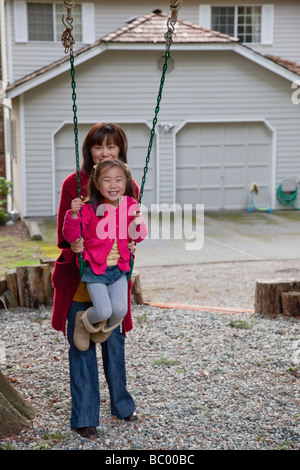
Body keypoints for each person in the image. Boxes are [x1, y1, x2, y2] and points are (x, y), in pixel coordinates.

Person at [51, 123, 141, 439]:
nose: (104, 152)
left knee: (114, 343)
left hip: (114, 274)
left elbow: (131, 228)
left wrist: (133, 242)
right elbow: (65, 234)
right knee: (81, 346)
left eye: (111, 147)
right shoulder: (72, 184)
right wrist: (73, 244)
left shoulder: (126, 183)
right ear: (89, 151)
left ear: (120, 151)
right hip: (82, 277)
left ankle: (122, 405)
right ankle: (85, 417)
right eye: (97, 146)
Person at [62, 160, 147, 351]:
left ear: (126, 183)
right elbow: (71, 236)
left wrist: (139, 223)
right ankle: (84, 322)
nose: (113, 185)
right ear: (97, 185)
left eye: (118, 180)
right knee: (103, 310)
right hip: (95, 268)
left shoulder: (131, 205)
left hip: (119, 268)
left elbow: (139, 237)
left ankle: (103, 327)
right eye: (107, 180)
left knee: (120, 311)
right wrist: (73, 215)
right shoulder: (89, 208)